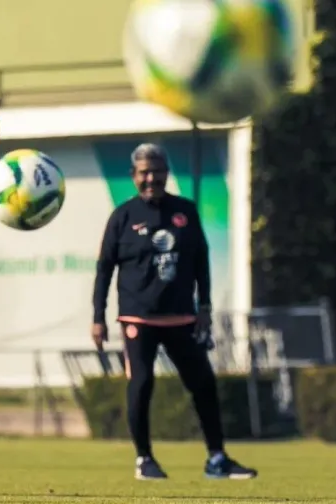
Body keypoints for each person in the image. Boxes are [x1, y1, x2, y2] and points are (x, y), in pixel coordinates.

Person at [91, 143, 257, 481]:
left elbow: (200, 261)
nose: (151, 178)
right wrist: (98, 316)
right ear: (133, 176)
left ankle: (217, 459)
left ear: (166, 173)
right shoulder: (122, 217)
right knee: (141, 384)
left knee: (203, 385)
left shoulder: (185, 211)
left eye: (157, 171)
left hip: (181, 316)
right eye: (144, 173)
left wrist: (205, 306)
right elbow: (104, 269)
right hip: (139, 318)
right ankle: (144, 460)